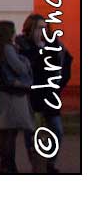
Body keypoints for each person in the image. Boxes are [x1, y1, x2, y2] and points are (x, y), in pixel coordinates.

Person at [19, 14, 73, 174]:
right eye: (38, 28)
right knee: (31, 131)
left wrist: (59, 84)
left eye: (44, 27)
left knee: (56, 129)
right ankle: (37, 163)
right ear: (30, 29)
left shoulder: (54, 45)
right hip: (32, 94)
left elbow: (66, 63)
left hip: (50, 94)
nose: (41, 31)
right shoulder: (24, 46)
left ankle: (50, 163)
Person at [0, 19, 31, 173]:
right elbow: (19, 68)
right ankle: (9, 165)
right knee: (10, 133)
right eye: (13, 31)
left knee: (4, 133)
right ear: (8, 33)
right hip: (11, 96)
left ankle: (4, 164)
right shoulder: (7, 48)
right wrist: (25, 61)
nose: (15, 34)